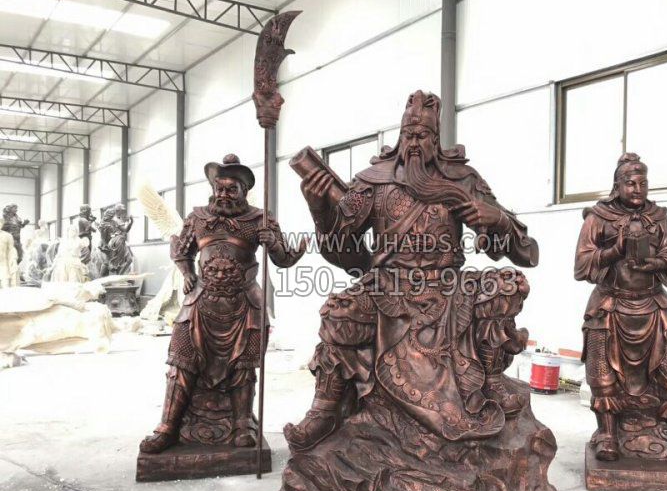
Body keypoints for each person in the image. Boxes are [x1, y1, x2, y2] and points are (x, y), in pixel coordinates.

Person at [284, 90, 539, 451]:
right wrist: (320, 211)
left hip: (447, 286)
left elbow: (525, 252)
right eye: (409, 135)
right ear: (400, 136)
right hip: (389, 286)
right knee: (338, 311)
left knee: (507, 286)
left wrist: (497, 219)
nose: (415, 143)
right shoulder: (374, 181)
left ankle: (490, 380)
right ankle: (324, 409)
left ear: (436, 138)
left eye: (422, 135)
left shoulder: (462, 180)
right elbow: (346, 253)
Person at [139, 154, 305, 453]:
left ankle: (242, 424)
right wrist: (187, 273)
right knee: (181, 361)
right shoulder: (198, 218)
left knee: (244, 366)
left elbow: (283, 259)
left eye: (232, 189)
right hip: (202, 301)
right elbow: (181, 251)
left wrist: (273, 242)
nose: (224, 194)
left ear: (244, 191)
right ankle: (167, 426)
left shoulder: (260, 219)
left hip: (244, 303)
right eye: (220, 188)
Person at [574, 152, 667, 471]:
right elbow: (581, 265)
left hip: (653, 303)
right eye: (631, 183)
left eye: (643, 183)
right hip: (611, 304)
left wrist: (656, 263)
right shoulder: (598, 217)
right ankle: (608, 433)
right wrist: (615, 250)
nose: (638, 189)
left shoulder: (658, 217)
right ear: (617, 185)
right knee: (602, 372)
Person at [0, 218, 19, 288]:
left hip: (3, 266)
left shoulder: (7, 236)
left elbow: (11, 250)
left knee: (6, 288)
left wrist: (13, 260)